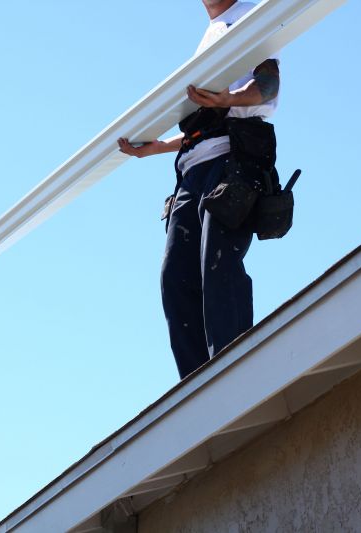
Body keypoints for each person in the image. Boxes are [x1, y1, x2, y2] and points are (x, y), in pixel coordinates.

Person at [117, 0, 281, 379]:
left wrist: (231, 98)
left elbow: (268, 84)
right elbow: (208, 120)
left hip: (231, 162)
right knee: (175, 278)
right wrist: (161, 147)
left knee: (217, 265)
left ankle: (234, 373)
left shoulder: (249, 16)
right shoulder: (210, 36)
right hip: (193, 170)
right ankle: (197, 386)